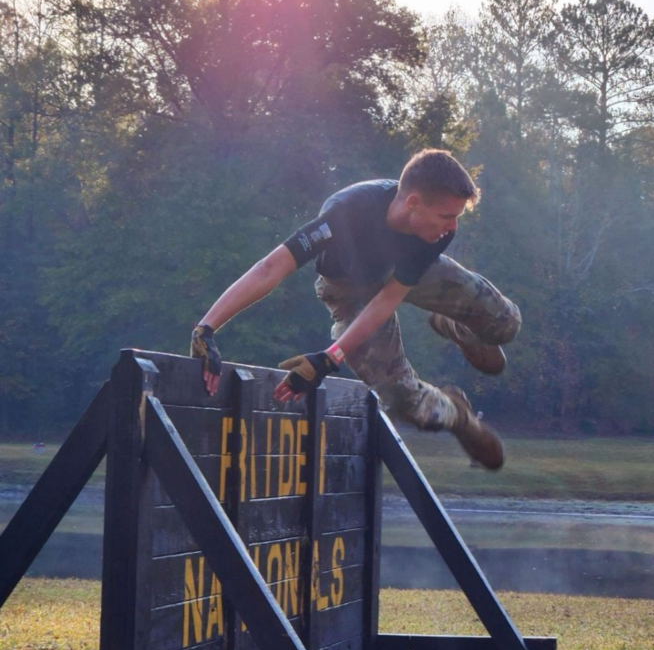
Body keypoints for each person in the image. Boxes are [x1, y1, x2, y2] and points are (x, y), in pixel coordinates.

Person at [190, 149, 521, 469]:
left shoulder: (438, 232)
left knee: (505, 324)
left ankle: (456, 328)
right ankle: (459, 416)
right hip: (347, 288)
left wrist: (331, 355)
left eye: (456, 217)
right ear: (413, 204)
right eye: (447, 217)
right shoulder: (345, 214)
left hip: (402, 273)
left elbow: (390, 296)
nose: (452, 227)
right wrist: (206, 329)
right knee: (406, 403)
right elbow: (271, 268)